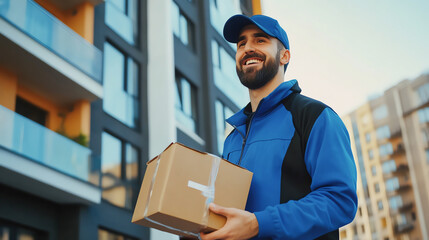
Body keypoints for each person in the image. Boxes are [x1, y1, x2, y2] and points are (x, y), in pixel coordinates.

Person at [199, 15, 358, 240]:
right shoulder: (233, 138)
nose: (247, 48)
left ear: (285, 56)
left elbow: (339, 200)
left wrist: (259, 224)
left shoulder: (315, 116)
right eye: (241, 43)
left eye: (260, 40)